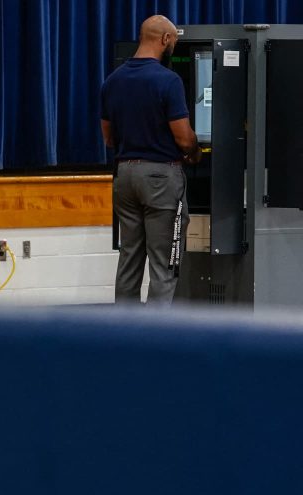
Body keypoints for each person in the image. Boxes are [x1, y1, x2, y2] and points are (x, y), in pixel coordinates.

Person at [100, 15, 202, 305]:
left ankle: (126, 336)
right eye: (174, 42)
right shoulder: (168, 81)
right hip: (161, 178)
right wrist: (195, 152)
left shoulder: (112, 81)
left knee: (129, 259)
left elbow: (108, 137)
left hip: (124, 177)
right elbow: (183, 137)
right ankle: (158, 338)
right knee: (165, 264)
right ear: (166, 40)